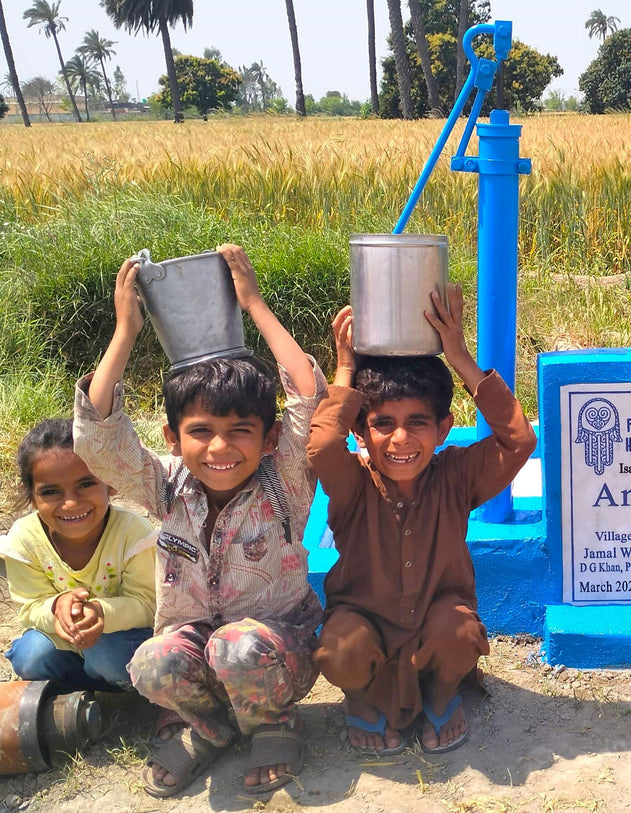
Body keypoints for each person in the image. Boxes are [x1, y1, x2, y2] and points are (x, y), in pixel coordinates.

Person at [73, 245, 327, 796]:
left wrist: (254, 304)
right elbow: (99, 443)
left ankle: (272, 724)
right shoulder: (166, 486)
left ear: (269, 438)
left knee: (235, 646)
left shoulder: (284, 481)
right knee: (151, 662)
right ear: (172, 438)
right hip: (198, 653)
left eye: (240, 431)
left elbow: (310, 400)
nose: (220, 448)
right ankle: (210, 727)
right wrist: (126, 332)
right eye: (201, 431)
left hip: (274, 653)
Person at [309, 284, 536, 755]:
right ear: (360, 432)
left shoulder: (455, 476)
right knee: (339, 643)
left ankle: (441, 696)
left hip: (437, 630)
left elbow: (519, 441)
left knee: (459, 631)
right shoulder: (352, 483)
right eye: (383, 424)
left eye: (417, 422)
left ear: (443, 429)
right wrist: (346, 368)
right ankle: (362, 700)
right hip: (366, 628)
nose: (401, 439)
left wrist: (460, 357)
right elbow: (322, 446)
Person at [2, 418, 155, 692]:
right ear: (32, 498)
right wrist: (57, 607)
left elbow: (147, 605)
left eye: (86, 484)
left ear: (111, 482)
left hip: (121, 643)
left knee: (106, 654)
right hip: (65, 643)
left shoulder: (133, 533)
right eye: (50, 492)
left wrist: (100, 612)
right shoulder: (23, 539)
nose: (71, 503)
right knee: (30, 655)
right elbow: (30, 607)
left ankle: (127, 689)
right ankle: (74, 690)